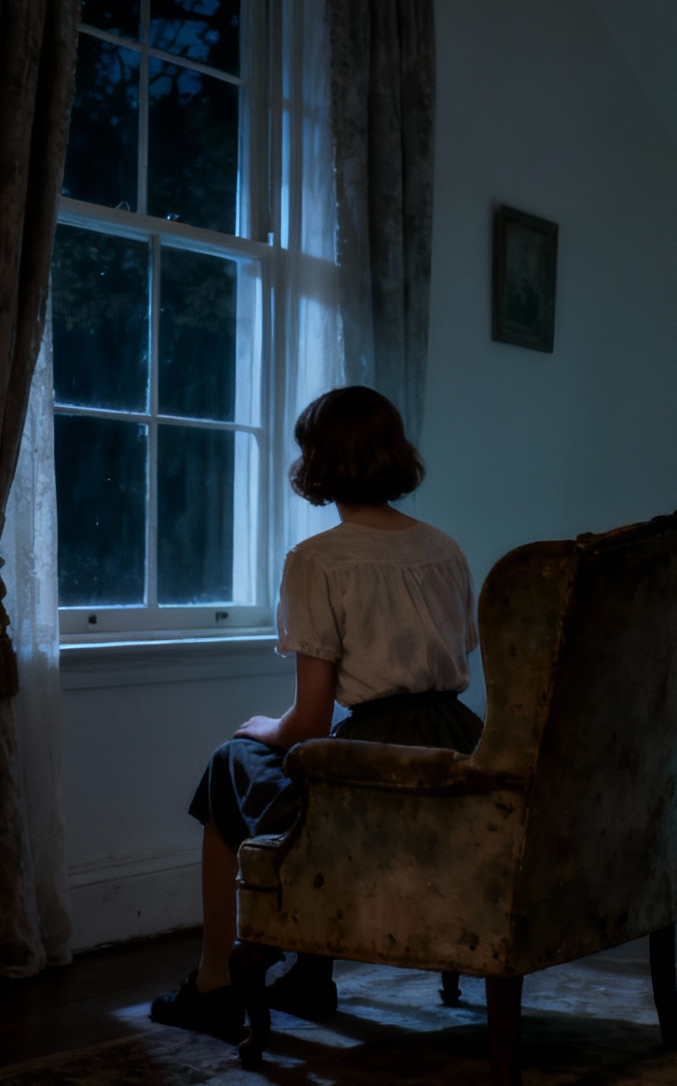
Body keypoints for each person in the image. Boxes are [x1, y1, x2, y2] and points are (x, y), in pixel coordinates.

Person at [149, 386, 481, 1037]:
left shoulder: (317, 561)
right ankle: (306, 977)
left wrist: (260, 728)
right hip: (458, 751)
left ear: (318, 461)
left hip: (374, 770)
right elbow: (454, 653)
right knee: (298, 774)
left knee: (229, 765)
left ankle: (216, 981)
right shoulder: (445, 550)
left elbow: (308, 722)